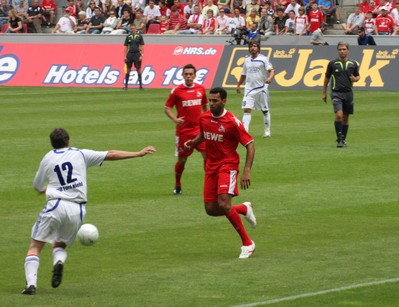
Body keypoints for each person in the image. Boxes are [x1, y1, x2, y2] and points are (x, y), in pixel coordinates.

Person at [21, 128, 155, 295]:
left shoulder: (47, 158)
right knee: (60, 244)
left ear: (52, 143)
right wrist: (138, 153)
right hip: (77, 209)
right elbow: (111, 154)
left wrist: (45, 189)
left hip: (55, 206)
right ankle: (59, 262)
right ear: (68, 140)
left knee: (35, 247)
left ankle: (31, 285)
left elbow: (37, 186)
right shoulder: (80, 154)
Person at [184, 87, 257, 259]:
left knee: (224, 204)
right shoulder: (204, 117)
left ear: (224, 101)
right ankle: (243, 209)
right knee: (210, 209)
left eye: (215, 101)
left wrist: (246, 171)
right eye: (210, 100)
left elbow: (250, 145)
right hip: (211, 166)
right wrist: (192, 142)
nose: (211, 103)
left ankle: (247, 243)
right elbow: (204, 134)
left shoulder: (233, 122)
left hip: (228, 165)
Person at [164, 64, 208, 195]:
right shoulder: (177, 91)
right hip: (184, 132)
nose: (188, 76)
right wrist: (175, 120)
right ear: (183, 75)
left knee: (208, 157)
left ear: (195, 75)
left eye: (191, 74)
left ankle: (210, 184)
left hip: (199, 131)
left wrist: (207, 120)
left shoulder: (201, 89)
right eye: (186, 74)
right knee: (182, 160)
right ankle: (178, 184)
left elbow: (205, 106)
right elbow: (167, 108)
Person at [322, 42, 360, 148]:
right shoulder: (332, 63)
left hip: (348, 93)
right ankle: (339, 139)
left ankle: (343, 139)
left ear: (348, 50)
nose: (342, 51)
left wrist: (355, 79)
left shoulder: (353, 63)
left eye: (344, 49)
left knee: (345, 118)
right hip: (336, 93)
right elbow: (327, 78)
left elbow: (358, 76)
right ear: (337, 51)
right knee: (339, 115)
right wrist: (324, 92)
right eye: (340, 49)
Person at [236, 41, 274, 138]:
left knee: (265, 110)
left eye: (254, 46)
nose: (252, 48)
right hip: (249, 89)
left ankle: (267, 131)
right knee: (247, 109)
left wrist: (269, 78)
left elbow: (271, 70)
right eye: (251, 46)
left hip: (261, 88)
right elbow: (243, 74)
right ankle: (245, 132)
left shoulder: (263, 59)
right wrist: (239, 85)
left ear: (258, 48)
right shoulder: (247, 61)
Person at [123, 23, 144, 90]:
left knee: (138, 69)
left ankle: (140, 85)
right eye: (131, 29)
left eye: (133, 28)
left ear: (135, 28)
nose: (132, 30)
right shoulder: (128, 36)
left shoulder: (139, 36)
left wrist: (142, 55)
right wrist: (125, 56)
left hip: (137, 54)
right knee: (128, 69)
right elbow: (126, 47)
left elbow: (142, 46)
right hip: (130, 54)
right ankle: (126, 86)